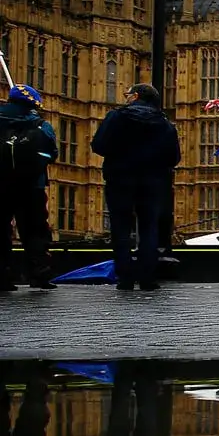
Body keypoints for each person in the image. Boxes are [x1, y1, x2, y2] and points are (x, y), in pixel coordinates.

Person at [91, 84, 180, 291]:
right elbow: (173, 158)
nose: (126, 98)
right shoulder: (165, 124)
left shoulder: (116, 117)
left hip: (120, 179)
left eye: (127, 95)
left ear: (136, 96)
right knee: (149, 228)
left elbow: (98, 145)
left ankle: (125, 278)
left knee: (121, 228)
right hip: (153, 182)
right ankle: (147, 278)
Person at [0, 85, 57, 291]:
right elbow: (53, 152)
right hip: (32, 185)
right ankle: (40, 275)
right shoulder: (41, 124)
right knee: (35, 230)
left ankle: (3, 278)